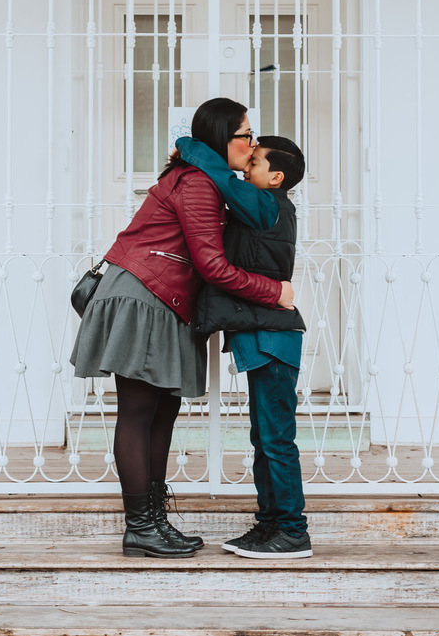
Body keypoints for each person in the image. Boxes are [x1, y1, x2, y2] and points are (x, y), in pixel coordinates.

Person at [70, 97, 294, 559]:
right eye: (245, 135)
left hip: (167, 301)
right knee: (137, 412)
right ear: (222, 137)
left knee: (161, 412)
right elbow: (211, 265)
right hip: (144, 295)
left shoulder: (209, 180)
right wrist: (275, 293)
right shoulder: (196, 183)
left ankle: (154, 521)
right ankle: (140, 526)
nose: (251, 144)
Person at [176, 133, 312, 559]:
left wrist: (191, 144)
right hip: (265, 334)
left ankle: (293, 531)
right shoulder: (262, 208)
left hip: (274, 339)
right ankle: (269, 524)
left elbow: (221, 178)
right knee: (264, 437)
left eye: (253, 164)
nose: (243, 168)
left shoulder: (269, 205)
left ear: (275, 178)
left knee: (276, 440)